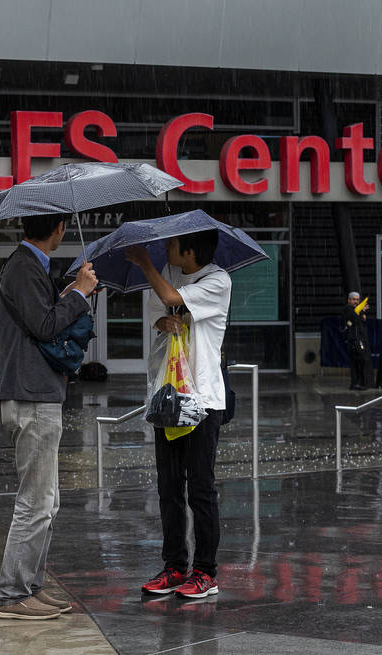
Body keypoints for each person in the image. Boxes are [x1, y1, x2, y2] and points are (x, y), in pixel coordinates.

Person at [0, 214, 98, 620]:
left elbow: (41, 318)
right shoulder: (22, 266)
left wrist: (72, 290)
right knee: (34, 502)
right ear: (60, 229)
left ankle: (29, 587)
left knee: (46, 502)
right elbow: (44, 324)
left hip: (38, 393)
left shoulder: (29, 266)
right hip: (31, 395)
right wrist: (79, 295)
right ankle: (12, 594)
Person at [125, 230, 231, 600]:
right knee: (169, 488)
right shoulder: (168, 276)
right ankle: (174, 566)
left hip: (203, 400)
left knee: (200, 489)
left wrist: (144, 263)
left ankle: (205, 572)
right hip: (167, 398)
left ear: (190, 250)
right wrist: (163, 323)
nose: (165, 249)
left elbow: (170, 298)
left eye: (171, 245)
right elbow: (157, 312)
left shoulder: (218, 280)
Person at [342, 291, 372, 390]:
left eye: (357, 300)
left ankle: (356, 383)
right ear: (349, 300)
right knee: (362, 359)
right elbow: (354, 318)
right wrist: (362, 312)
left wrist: (362, 314)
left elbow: (361, 320)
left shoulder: (357, 310)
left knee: (357, 361)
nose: (356, 301)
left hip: (359, 338)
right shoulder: (348, 309)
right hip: (354, 339)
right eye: (354, 299)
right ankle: (359, 383)